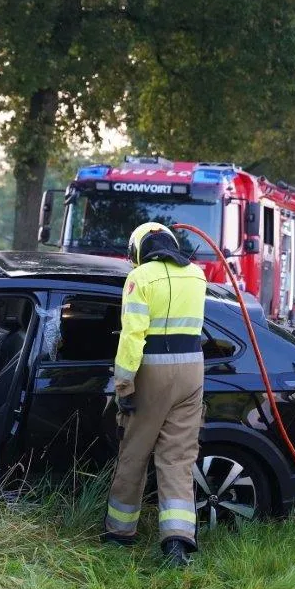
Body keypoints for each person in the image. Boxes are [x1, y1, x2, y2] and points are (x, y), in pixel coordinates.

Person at [103, 222, 207, 568]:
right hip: (192, 371)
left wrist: (124, 386)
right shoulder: (197, 275)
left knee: (135, 451)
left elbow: (132, 336)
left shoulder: (140, 278)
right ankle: (177, 541)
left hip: (153, 370)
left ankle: (120, 533)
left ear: (138, 250)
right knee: (178, 457)